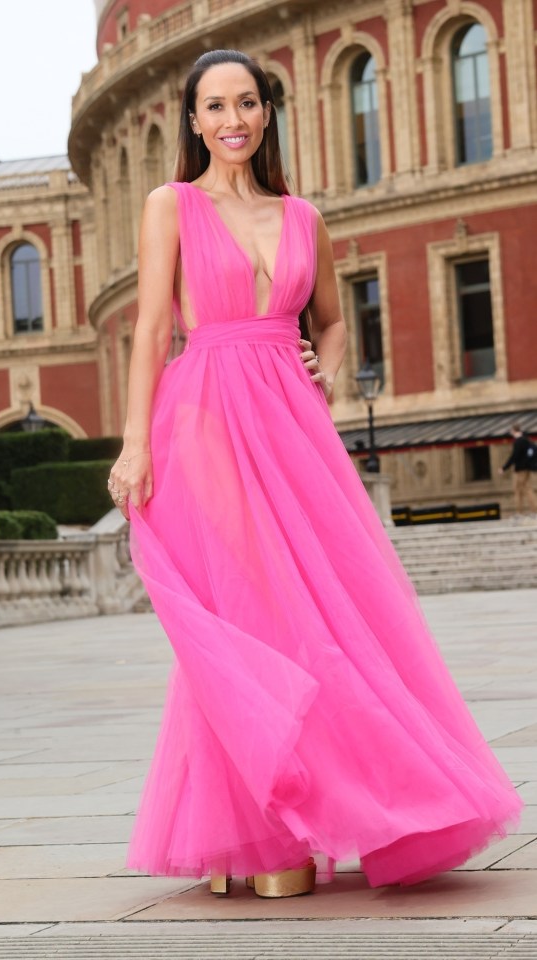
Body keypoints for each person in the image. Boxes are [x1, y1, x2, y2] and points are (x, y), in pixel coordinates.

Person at [107, 49, 522, 898]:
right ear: (192, 121)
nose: (232, 120)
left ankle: (316, 811)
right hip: (206, 419)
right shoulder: (169, 206)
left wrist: (321, 371)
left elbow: (330, 325)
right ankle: (260, 827)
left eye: (247, 103)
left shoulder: (304, 217)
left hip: (292, 425)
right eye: (215, 106)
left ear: (267, 112)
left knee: (334, 612)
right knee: (249, 612)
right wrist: (133, 443)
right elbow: (152, 330)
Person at [499, 424, 537, 517]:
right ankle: (523, 511)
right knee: (523, 488)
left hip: (520, 469)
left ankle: (525, 511)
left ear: (513, 430)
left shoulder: (519, 442)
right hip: (527, 468)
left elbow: (514, 456)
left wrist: (504, 468)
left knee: (523, 489)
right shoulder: (527, 440)